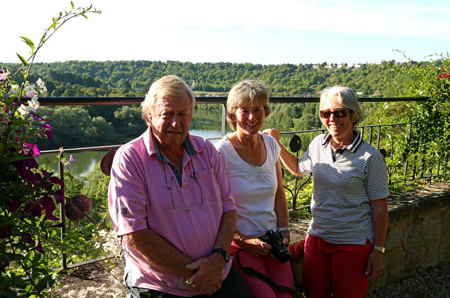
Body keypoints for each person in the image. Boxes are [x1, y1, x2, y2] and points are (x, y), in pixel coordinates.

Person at [108, 75, 251, 298]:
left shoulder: (206, 150)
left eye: (182, 114)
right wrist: (198, 273)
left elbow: (229, 209)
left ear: (191, 115)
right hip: (161, 284)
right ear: (149, 115)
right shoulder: (130, 158)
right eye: (167, 114)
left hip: (217, 270)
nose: (176, 123)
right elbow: (134, 233)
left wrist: (217, 259)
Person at [264, 85, 389, 298]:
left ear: (353, 114)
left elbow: (379, 208)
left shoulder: (371, 158)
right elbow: (298, 169)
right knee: (313, 293)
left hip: (353, 242)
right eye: (326, 113)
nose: (332, 118)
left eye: (339, 112)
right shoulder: (317, 144)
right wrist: (277, 145)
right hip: (318, 237)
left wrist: (377, 251)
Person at [215, 80, 294, 298]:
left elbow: (279, 192)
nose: (252, 117)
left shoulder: (271, 144)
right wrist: (243, 241)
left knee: (287, 295)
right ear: (233, 115)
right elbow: (216, 207)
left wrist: (285, 230)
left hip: (273, 240)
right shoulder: (221, 153)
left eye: (258, 110)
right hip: (241, 245)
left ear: (265, 111)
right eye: (245, 111)